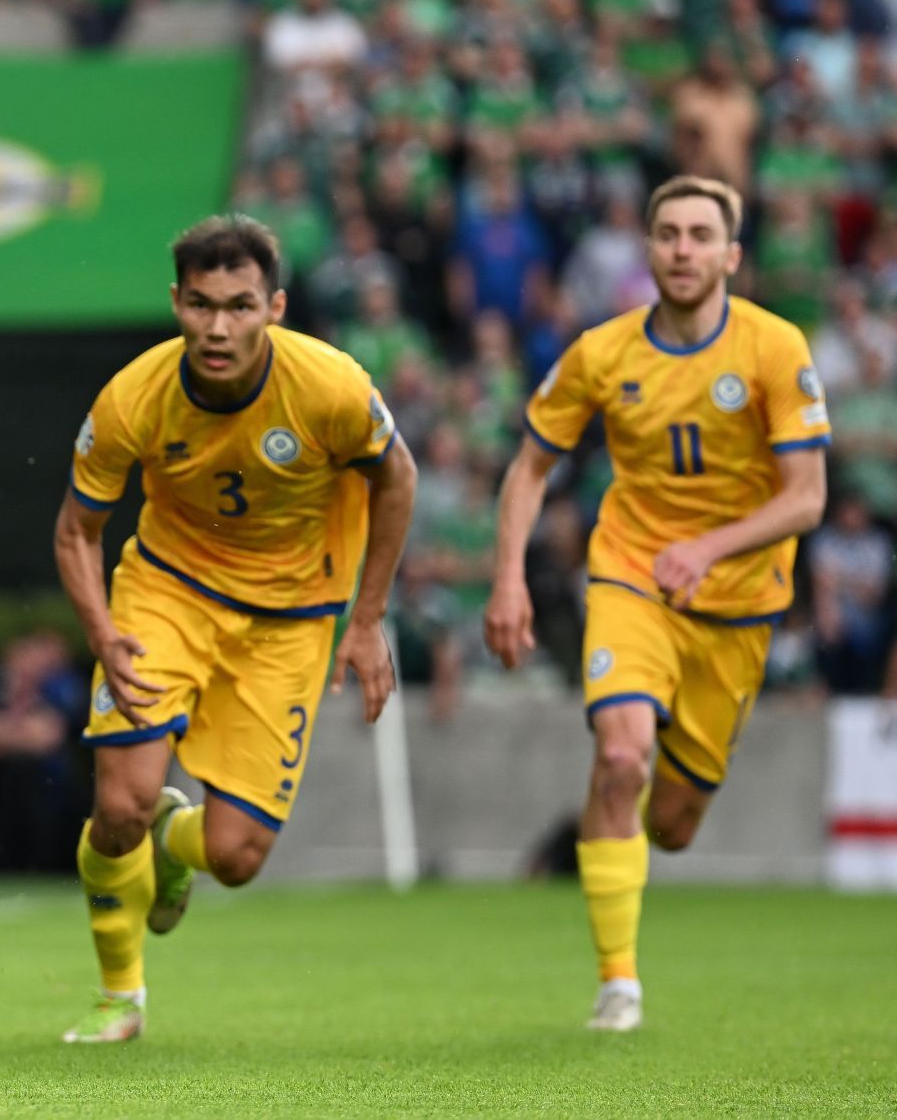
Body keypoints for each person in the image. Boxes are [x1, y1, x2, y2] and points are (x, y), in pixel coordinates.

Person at [53, 215, 416, 1043]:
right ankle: (121, 998)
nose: (220, 328)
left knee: (237, 856)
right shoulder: (132, 398)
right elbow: (77, 530)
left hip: (290, 620)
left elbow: (398, 479)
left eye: (241, 306)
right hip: (167, 595)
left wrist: (368, 619)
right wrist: (105, 633)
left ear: (276, 307)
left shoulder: (330, 387)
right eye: (203, 305)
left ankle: (174, 845)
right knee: (120, 806)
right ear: (176, 302)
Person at [483, 176, 830, 1034]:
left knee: (671, 825)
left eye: (700, 235)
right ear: (648, 247)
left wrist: (710, 549)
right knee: (623, 756)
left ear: (730, 255)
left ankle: (623, 834)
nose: (683, 249)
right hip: (633, 575)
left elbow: (808, 496)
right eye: (668, 233)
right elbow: (529, 466)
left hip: (739, 604)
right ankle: (618, 983)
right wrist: (508, 578)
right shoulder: (602, 353)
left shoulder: (774, 348)